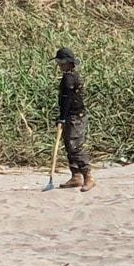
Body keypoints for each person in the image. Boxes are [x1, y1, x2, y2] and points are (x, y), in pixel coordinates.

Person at [54, 48, 94, 192]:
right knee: (69, 145)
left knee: (75, 146)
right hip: (71, 115)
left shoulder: (69, 78)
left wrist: (62, 118)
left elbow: (67, 99)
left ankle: (88, 176)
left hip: (75, 116)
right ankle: (75, 176)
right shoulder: (69, 76)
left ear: (68, 63)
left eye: (61, 63)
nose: (59, 66)